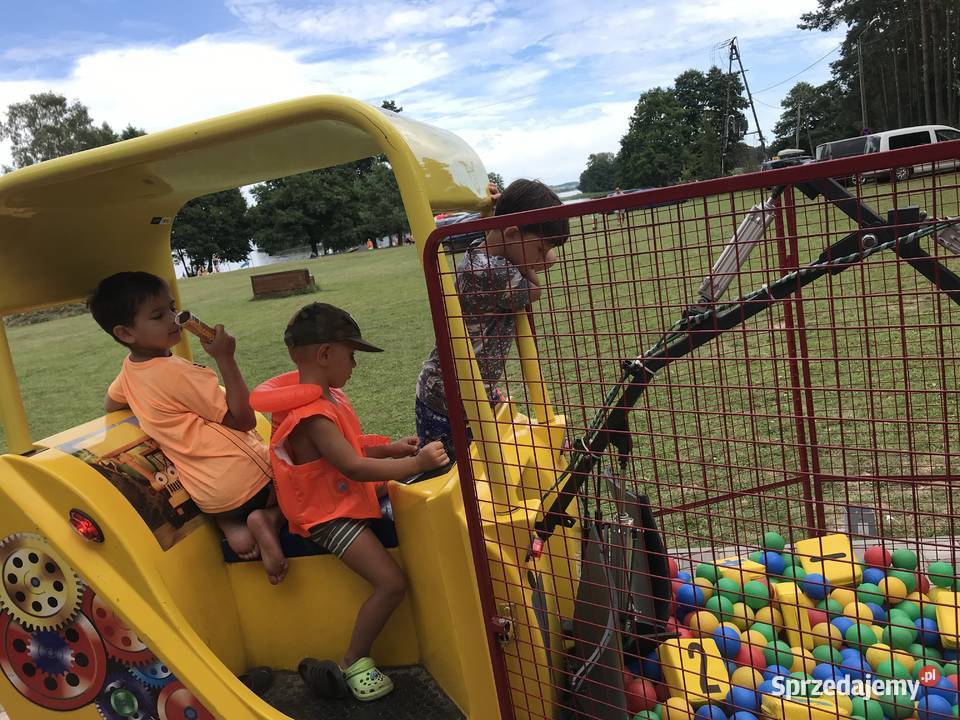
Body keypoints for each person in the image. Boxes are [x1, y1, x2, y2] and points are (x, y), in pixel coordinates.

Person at [260, 302, 448, 701]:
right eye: (352, 355)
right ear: (326, 354)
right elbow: (353, 466)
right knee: (391, 583)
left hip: (341, 496)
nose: (355, 365)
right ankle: (353, 661)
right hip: (328, 516)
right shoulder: (312, 414)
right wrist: (415, 462)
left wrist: (391, 450)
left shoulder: (329, 399)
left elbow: (351, 449)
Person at [88, 272, 287, 584]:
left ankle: (233, 527)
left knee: (232, 506)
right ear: (126, 333)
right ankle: (269, 518)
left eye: (172, 308)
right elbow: (244, 420)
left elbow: (111, 403)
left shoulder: (129, 373)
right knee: (307, 476)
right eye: (158, 315)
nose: (173, 319)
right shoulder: (179, 374)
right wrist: (226, 358)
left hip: (211, 498)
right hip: (248, 480)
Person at [415, 178, 570, 460]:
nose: (542, 258)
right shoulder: (491, 272)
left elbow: (547, 259)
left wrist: (500, 219)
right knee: (455, 470)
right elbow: (535, 291)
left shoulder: (483, 251)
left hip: (472, 390)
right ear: (511, 234)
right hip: (448, 400)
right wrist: (521, 257)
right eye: (539, 248)